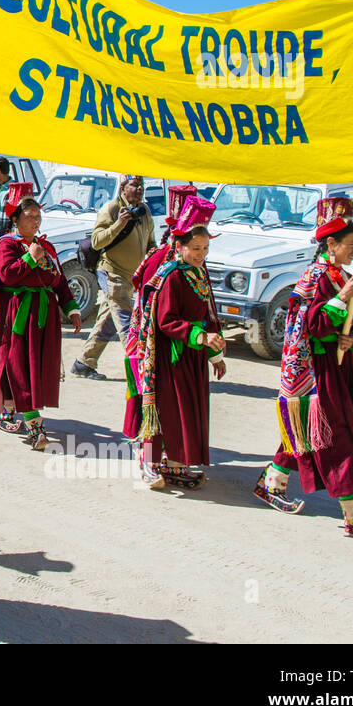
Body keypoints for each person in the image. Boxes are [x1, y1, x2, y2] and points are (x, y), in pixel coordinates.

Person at [253, 197, 353, 540]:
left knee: (306, 435)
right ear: (330, 243)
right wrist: (341, 298)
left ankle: (271, 484)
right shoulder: (314, 279)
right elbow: (308, 325)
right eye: (349, 246)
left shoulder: (344, 276)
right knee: (333, 439)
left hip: (339, 368)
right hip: (315, 374)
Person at [135, 195, 226, 490]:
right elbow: (166, 320)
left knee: (185, 411)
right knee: (165, 410)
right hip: (169, 357)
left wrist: (214, 354)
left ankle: (174, 463)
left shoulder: (199, 272)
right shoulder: (172, 276)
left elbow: (209, 311)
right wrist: (199, 336)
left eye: (205, 249)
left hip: (193, 356)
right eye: (196, 248)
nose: (201, 254)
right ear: (181, 246)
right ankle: (147, 461)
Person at [0, 183, 83, 448]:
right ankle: (34, 424)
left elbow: (60, 281)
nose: (36, 220)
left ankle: (8, 408)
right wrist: (30, 258)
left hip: (44, 317)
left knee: (34, 365)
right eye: (30, 216)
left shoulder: (46, 246)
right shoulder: (6, 245)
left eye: (38, 215)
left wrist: (71, 309)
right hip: (20, 316)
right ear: (15, 218)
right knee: (17, 364)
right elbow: (8, 275)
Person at [123, 184, 196, 439]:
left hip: (183, 341)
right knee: (155, 398)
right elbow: (149, 308)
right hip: (156, 342)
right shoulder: (160, 261)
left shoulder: (193, 263)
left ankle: (172, 455)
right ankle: (149, 454)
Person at [71, 174, 154, 381]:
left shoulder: (144, 211)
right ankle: (141, 371)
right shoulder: (111, 208)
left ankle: (84, 363)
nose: (140, 189)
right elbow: (97, 242)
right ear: (123, 188)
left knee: (107, 323)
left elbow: (150, 242)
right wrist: (119, 223)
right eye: (135, 185)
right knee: (127, 323)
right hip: (111, 273)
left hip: (131, 277)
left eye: (142, 185)